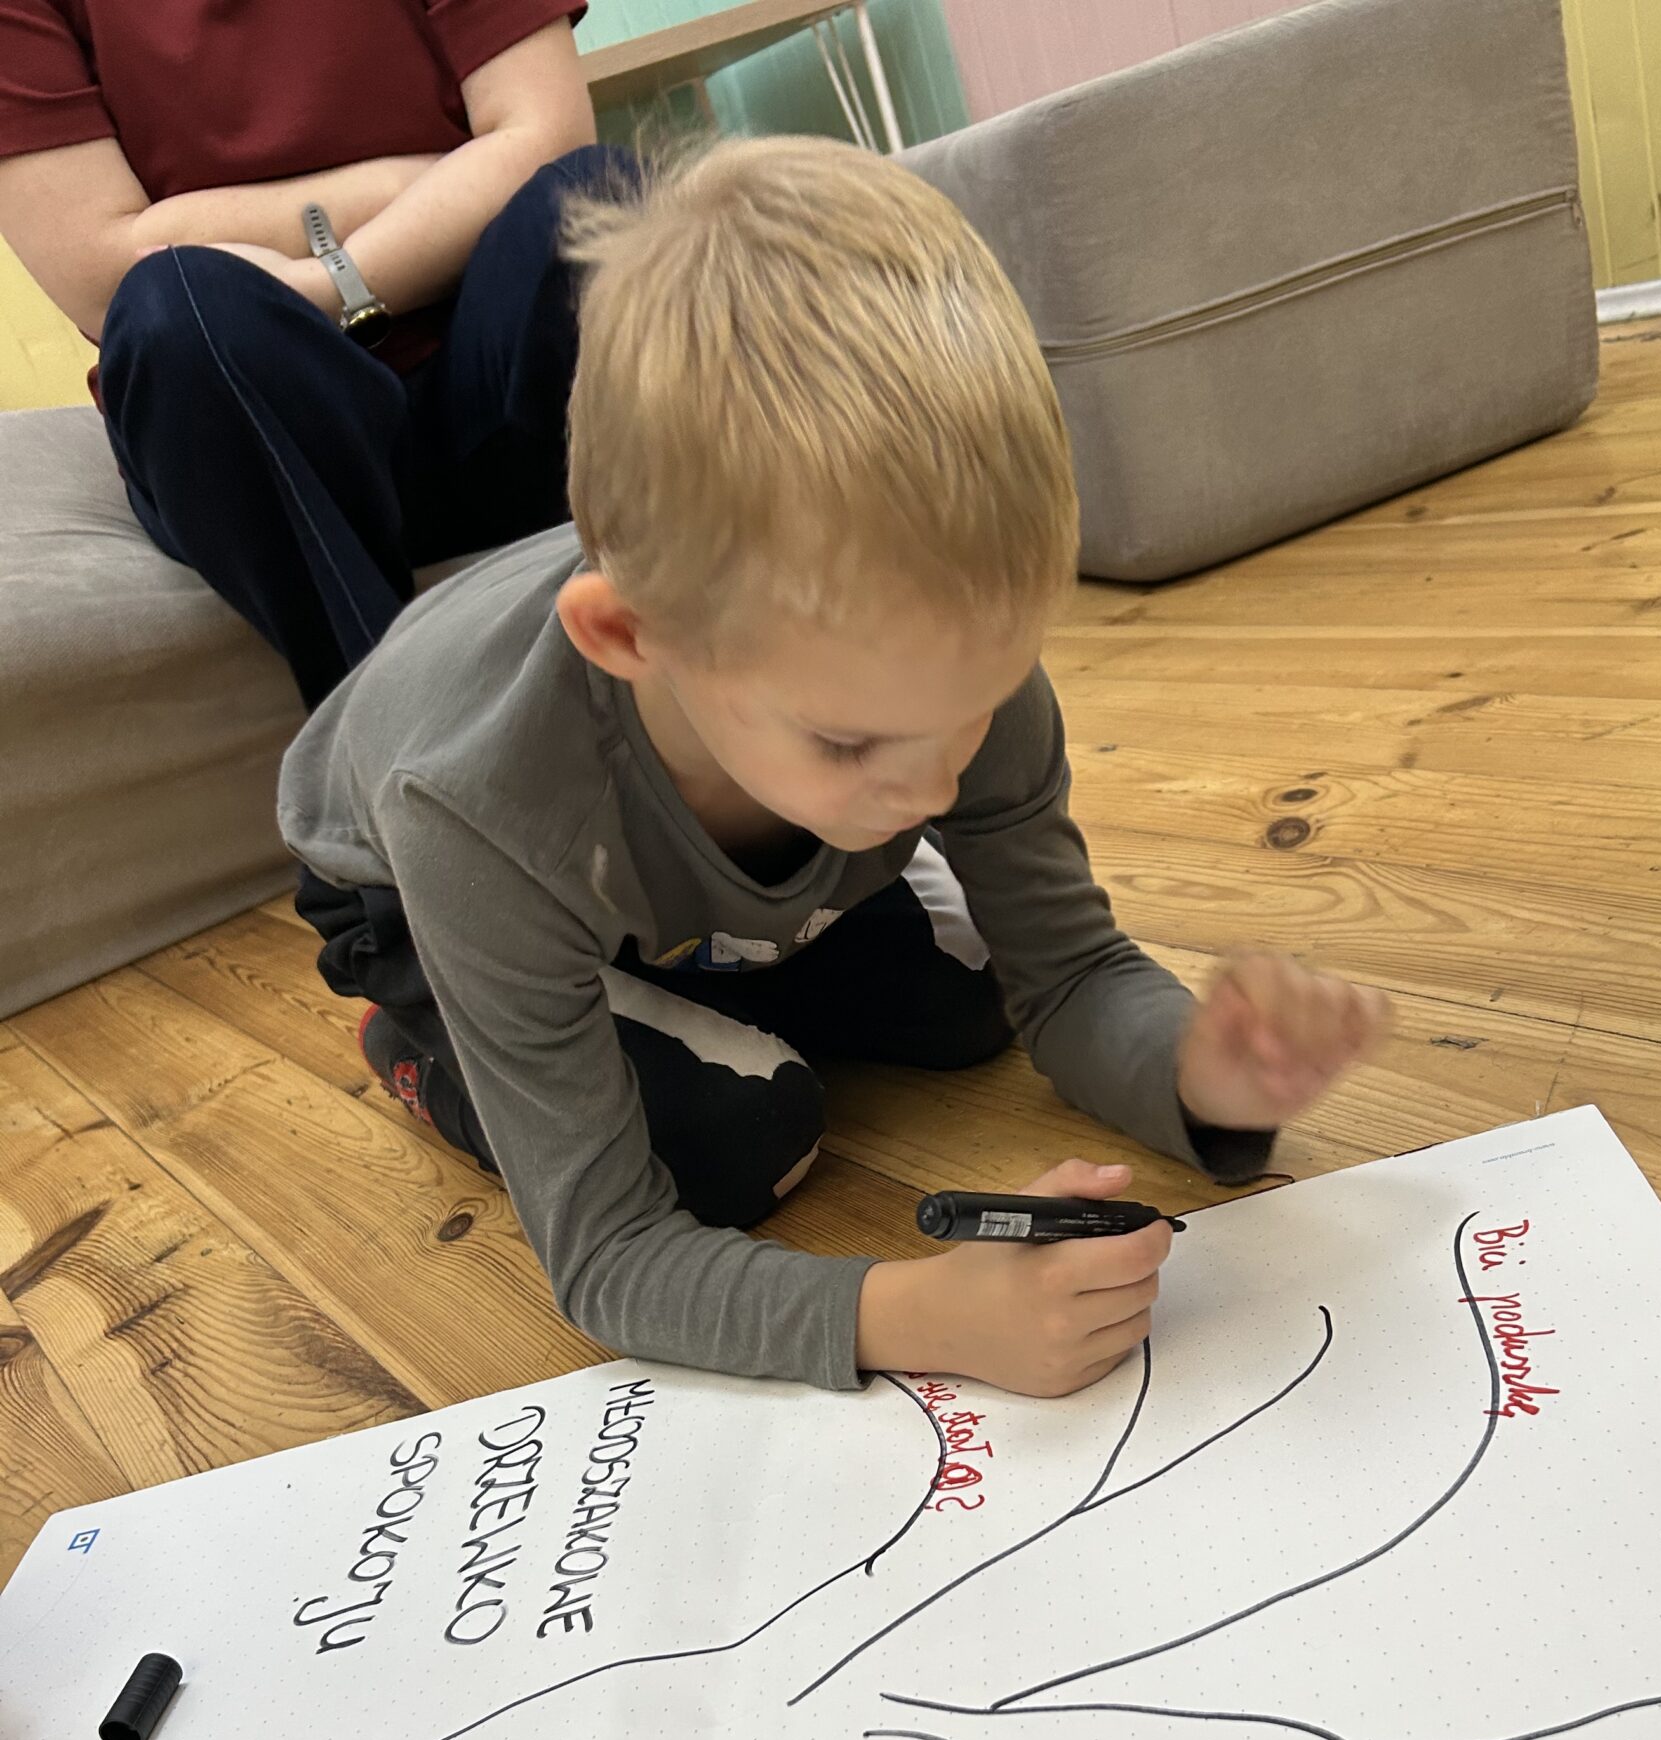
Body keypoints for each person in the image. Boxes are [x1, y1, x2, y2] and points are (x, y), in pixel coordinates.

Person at [280, 138, 1391, 1398]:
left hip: (669, 850)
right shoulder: (477, 811)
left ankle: (730, 939)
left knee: (977, 1002)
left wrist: (1203, 1075)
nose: (930, 792)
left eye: (972, 708)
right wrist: (922, 1313)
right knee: (739, 1141)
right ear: (633, 640)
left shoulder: (931, 656)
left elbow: (1075, 972)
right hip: (410, 890)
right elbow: (611, 1257)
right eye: (852, 741)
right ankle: (419, 1035)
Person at [0, 1, 611, 710]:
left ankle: (689, 664)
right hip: (254, 417)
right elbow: (103, 270)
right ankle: (387, 731)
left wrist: (325, 285)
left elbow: (550, 140)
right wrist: (426, 181)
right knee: (171, 308)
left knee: (594, 201)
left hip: (492, 368)